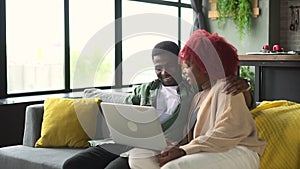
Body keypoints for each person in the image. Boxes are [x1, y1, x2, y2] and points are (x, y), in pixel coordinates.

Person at [63, 41, 253, 169]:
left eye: (169, 65)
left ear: (181, 64)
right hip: (127, 141)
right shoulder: (145, 89)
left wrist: (245, 85)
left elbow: (238, 100)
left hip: (159, 147)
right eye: (158, 68)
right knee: (72, 165)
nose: (163, 72)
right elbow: (125, 109)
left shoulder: (195, 89)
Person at [128, 30, 266, 169]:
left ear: (205, 66)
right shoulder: (198, 97)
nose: (184, 71)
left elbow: (228, 131)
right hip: (206, 150)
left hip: (235, 151)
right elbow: (191, 137)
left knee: (173, 167)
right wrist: (174, 146)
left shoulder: (226, 87)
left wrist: (184, 150)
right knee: (139, 157)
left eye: (188, 66)